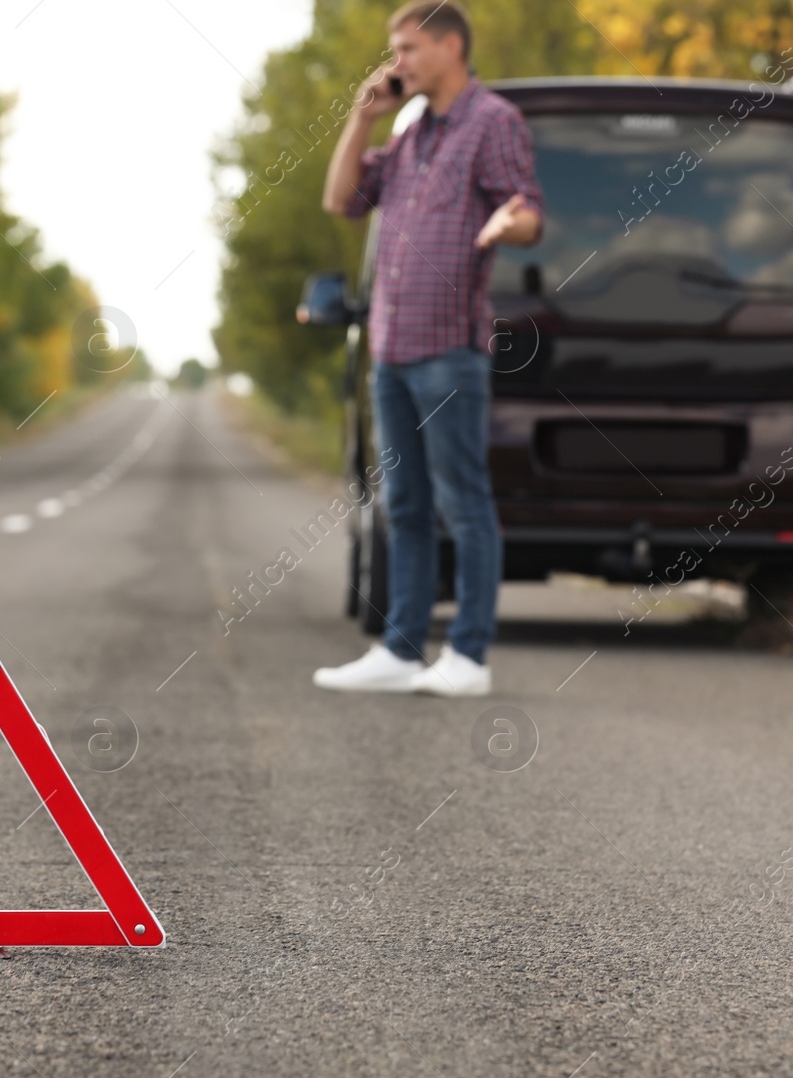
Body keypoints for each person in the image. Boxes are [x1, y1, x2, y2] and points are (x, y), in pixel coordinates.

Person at [313, 1, 542, 698]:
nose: (397, 62)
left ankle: (468, 657)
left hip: (450, 352)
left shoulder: (494, 122)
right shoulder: (410, 134)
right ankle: (401, 649)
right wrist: (362, 118)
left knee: (463, 503)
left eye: (408, 49)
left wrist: (508, 222)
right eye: (394, 49)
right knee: (403, 505)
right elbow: (341, 199)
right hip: (393, 350)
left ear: (450, 46)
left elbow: (527, 212)